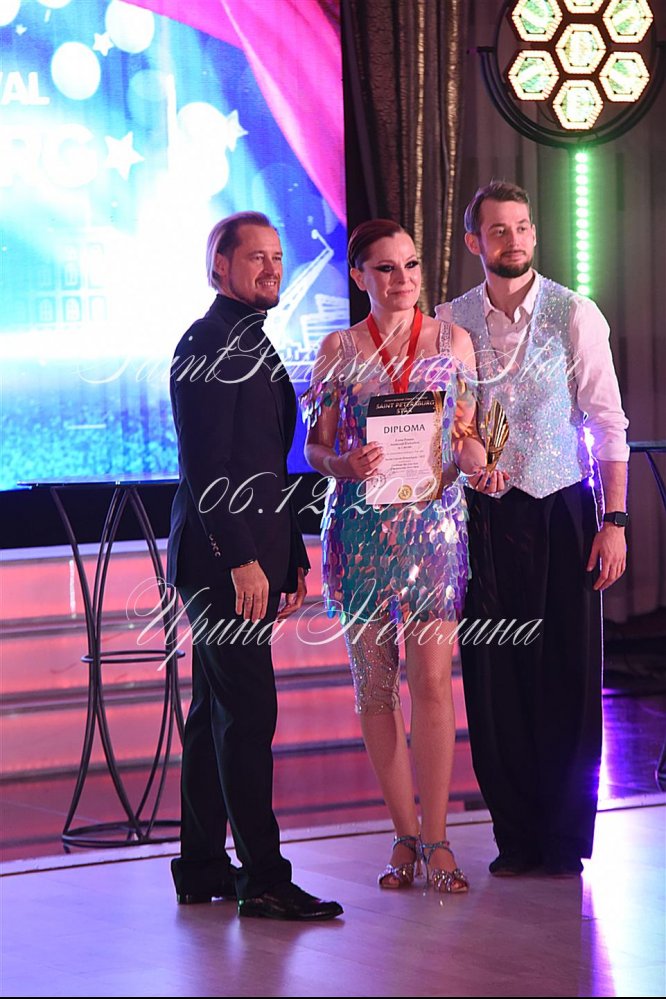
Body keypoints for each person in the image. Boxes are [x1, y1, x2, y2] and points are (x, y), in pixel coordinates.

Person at [437, 180, 629, 878]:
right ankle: (515, 837)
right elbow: (442, 421)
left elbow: (608, 422)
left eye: (522, 227)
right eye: (498, 229)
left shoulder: (575, 313)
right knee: (494, 678)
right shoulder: (448, 321)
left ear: (534, 234)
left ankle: (563, 838)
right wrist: (464, 455)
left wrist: (614, 520)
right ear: (474, 241)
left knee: (566, 673)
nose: (513, 239)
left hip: (561, 509)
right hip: (481, 519)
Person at [303, 220, 497, 893]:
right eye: (385, 268)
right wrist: (344, 464)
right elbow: (316, 447)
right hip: (360, 530)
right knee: (375, 686)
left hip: (434, 527)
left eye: (410, 264)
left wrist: (474, 459)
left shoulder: (452, 341)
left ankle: (438, 837)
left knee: (434, 683)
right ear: (360, 275)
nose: (403, 278)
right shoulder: (339, 348)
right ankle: (403, 834)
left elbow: (466, 434)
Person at [167, 211, 343, 921]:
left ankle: (202, 866)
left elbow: (267, 465)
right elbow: (205, 466)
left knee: (215, 712)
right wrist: (240, 556)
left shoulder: (252, 340)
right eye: (256, 258)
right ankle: (265, 878)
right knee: (247, 713)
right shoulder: (207, 341)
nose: (272, 268)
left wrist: (291, 554)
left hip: (251, 556)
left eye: (277, 257)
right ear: (220, 267)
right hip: (220, 562)